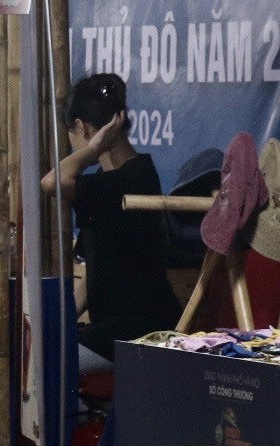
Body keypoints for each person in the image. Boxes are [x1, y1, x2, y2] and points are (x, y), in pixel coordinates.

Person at [40, 72, 179, 364]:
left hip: (137, 331)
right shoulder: (111, 178)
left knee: (46, 364)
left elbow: (51, 182)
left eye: (71, 132)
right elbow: (93, 268)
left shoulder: (132, 178)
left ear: (81, 126)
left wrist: (92, 149)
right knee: (39, 349)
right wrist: (61, 321)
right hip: (111, 329)